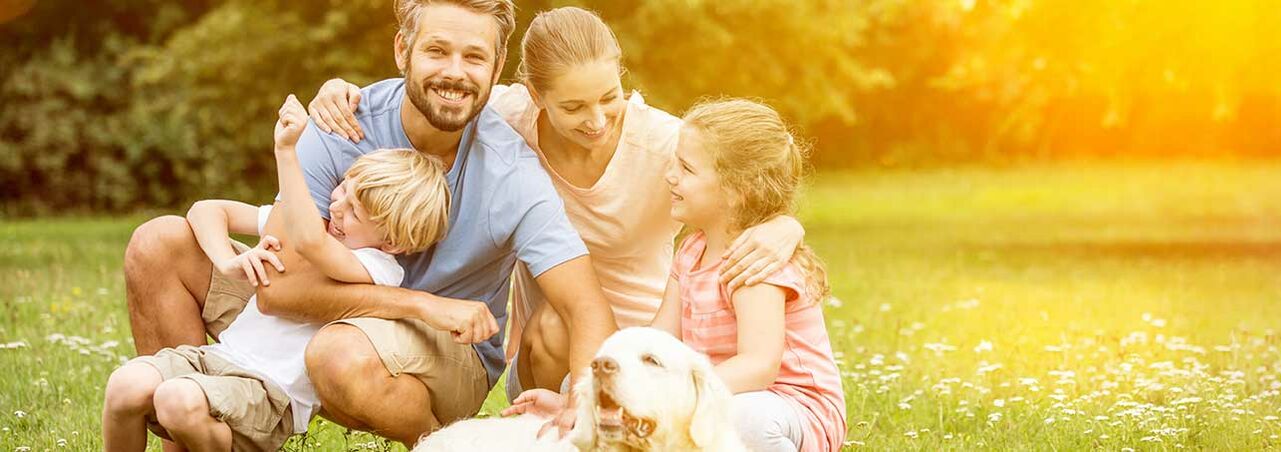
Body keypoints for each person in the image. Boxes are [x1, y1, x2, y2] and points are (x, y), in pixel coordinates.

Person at [122, 0, 617, 445]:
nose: (455, 72)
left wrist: (582, 404)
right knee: (158, 244)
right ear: (402, 49)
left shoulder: (510, 171)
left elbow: (585, 306)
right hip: (322, 314)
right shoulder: (342, 124)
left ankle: (438, 447)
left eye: (474, 57)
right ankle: (192, 429)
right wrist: (422, 304)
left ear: (497, 66)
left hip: (441, 353)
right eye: (437, 51)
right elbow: (277, 292)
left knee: (337, 352)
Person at [308, 6, 808, 408]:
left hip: (657, 339)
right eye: (572, 107)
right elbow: (440, 81)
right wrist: (338, 89)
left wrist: (786, 224)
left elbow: (748, 177)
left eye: (609, 97)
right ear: (535, 95)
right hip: (553, 350)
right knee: (554, 322)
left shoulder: (667, 146)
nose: (597, 121)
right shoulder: (506, 120)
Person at [103, 96, 450, 451]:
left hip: (268, 392)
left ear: (391, 243)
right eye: (342, 189)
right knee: (124, 387)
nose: (335, 207)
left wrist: (287, 152)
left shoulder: (377, 268)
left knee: (178, 402)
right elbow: (206, 210)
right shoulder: (318, 224)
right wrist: (227, 260)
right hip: (218, 359)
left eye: (354, 213)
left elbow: (313, 244)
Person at [649, 99, 845, 452]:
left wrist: (675, 395)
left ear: (739, 191)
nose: (671, 175)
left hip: (791, 406)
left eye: (687, 169)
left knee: (742, 420)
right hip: (720, 393)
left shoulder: (756, 263)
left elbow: (758, 366)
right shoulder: (690, 252)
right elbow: (659, 340)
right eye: (675, 162)